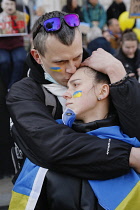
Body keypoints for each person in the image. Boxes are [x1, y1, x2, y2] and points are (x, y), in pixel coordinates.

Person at [6, 10, 140, 207]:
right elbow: (51, 147)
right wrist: (128, 156)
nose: (71, 69)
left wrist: (118, 74)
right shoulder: (23, 93)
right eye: (60, 62)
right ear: (37, 56)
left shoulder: (102, 73)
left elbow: (136, 131)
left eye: (77, 56)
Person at [9, 66, 140, 209]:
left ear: (102, 91)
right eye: (67, 87)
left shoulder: (130, 143)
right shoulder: (48, 140)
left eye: (76, 85)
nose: (66, 94)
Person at [0, 0, 27, 89]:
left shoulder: (21, 15)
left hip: (17, 44)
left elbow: (24, 30)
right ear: (2, 5)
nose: (9, 6)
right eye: (7, 4)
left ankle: (13, 85)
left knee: (20, 60)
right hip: (2, 45)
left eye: (12, 4)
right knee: (4, 62)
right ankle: (7, 85)